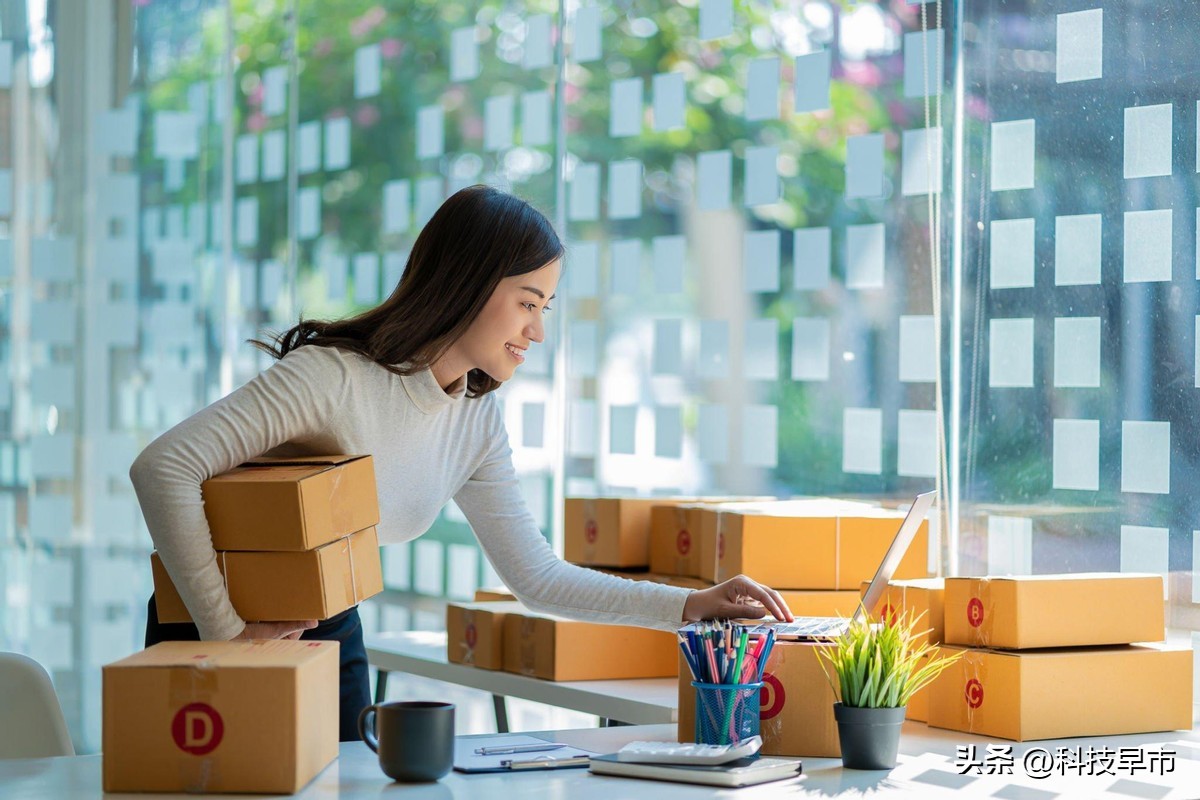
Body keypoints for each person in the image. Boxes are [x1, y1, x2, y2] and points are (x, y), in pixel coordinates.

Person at [130, 184, 795, 742]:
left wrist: (693, 606)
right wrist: (229, 634)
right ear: (469, 286)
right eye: (528, 303)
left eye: (545, 308)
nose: (538, 331)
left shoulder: (474, 420)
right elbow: (163, 468)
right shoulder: (331, 378)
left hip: (329, 622)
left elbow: (535, 577)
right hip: (209, 614)